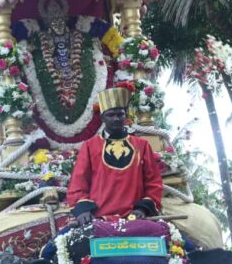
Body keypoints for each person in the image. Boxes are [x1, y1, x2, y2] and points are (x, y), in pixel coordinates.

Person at [67, 87, 163, 225]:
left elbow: (153, 182)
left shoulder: (142, 145)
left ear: (126, 116)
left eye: (120, 114)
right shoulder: (89, 146)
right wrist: (83, 210)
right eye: (111, 115)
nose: (116, 118)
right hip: (98, 218)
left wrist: (143, 209)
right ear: (102, 118)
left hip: (135, 218)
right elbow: (78, 181)